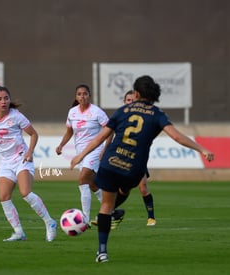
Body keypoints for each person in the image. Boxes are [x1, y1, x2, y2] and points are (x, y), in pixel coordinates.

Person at [70, 75, 214, 263]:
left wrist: (80, 155)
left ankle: (102, 251)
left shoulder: (123, 110)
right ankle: (116, 207)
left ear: (136, 93)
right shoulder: (157, 114)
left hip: (110, 162)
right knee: (124, 191)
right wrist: (202, 149)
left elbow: (99, 138)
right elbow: (177, 137)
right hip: (133, 167)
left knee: (106, 205)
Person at [0, 86, 57, 242]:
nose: (3, 102)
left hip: (21, 159)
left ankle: (50, 222)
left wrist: (30, 152)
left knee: (25, 193)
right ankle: (19, 232)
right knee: (4, 197)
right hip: (5, 162)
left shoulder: (17, 116)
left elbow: (33, 134)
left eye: (6, 98)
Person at [56, 84, 122, 227]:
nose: (82, 96)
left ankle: (84, 218)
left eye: (85, 94)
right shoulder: (72, 112)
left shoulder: (97, 112)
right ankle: (113, 210)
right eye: (79, 94)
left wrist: (105, 149)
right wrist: (61, 145)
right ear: (76, 97)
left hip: (95, 150)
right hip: (81, 153)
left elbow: (110, 131)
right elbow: (69, 132)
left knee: (82, 179)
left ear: (89, 96)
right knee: (92, 184)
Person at [124, 90, 156, 226]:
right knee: (121, 189)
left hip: (138, 157)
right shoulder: (121, 116)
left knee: (142, 187)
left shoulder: (142, 117)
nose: (131, 102)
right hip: (121, 156)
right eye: (128, 100)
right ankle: (110, 214)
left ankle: (151, 217)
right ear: (125, 102)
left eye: (133, 100)